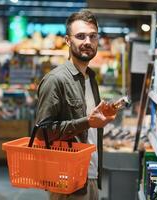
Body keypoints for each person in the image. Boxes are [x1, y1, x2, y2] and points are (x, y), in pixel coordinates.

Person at [35, 10, 117, 200]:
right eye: (80, 36)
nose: (87, 41)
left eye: (93, 36)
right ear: (67, 40)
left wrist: (101, 115)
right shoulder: (55, 80)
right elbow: (42, 133)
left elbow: (89, 124)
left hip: (92, 175)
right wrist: (87, 121)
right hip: (67, 182)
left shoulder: (92, 78)